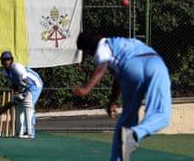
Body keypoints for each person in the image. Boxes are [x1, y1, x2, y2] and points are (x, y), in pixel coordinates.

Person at [72, 29, 171, 161]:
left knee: (128, 118)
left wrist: (86, 88)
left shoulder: (103, 46)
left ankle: (128, 142)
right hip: (155, 62)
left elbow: (102, 66)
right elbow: (118, 80)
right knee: (161, 114)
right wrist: (112, 102)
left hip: (132, 67)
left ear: (90, 49)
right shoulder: (121, 42)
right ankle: (135, 134)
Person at [0, 51, 43, 139]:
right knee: (19, 107)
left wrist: (22, 94)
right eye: (4, 60)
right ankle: (20, 131)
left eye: (8, 59)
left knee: (28, 106)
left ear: (11, 60)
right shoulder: (5, 72)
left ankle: (30, 132)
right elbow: (14, 84)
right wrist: (16, 94)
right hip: (24, 87)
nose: (6, 62)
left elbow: (25, 81)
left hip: (34, 85)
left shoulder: (17, 67)